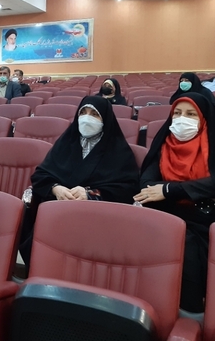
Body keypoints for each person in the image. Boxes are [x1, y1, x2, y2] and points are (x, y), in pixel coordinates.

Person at [135, 93, 215, 313]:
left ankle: (197, 312)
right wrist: (174, 192)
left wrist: (169, 190)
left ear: (204, 117)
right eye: (177, 113)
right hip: (175, 213)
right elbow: (147, 183)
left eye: (191, 114)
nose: (182, 119)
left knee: (191, 249)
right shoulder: (165, 141)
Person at [25, 96, 139, 263]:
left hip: (97, 219)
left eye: (94, 114)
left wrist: (89, 194)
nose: (86, 118)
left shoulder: (119, 151)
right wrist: (56, 188)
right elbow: (41, 175)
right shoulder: (66, 143)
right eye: (83, 113)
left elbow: (126, 189)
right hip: (59, 211)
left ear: (105, 119)